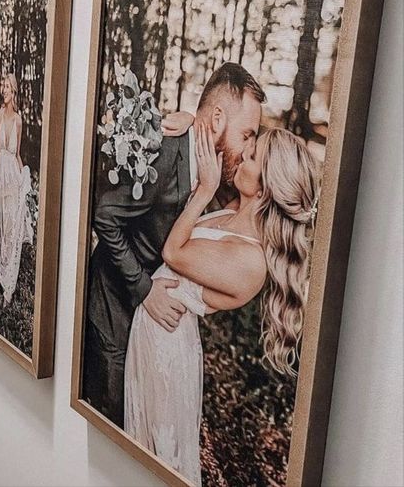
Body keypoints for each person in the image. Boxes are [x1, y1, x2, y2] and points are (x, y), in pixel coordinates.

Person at [124, 124, 319, 485]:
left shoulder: (251, 263)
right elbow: (216, 139)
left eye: (253, 156)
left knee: (155, 456)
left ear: (264, 187)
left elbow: (174, 252)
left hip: (166, 344)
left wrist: (204, 193)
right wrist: (188, 121)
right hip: (152, 324)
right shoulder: (234, 210)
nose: (244, 155)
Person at [82, 63, 265, 428]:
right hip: (114, 308)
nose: (248, 149)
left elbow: (255, 193)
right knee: (106, 424)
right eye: (247, 135)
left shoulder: (217, 172)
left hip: (149, 328)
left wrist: (187, 117)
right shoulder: (166, 150)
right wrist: (143, 289)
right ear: (216, 120)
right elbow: (104, 215)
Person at [0, 73, 33, 305]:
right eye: (3, 86)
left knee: (10, 228)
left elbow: (17, 154)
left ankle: (9, 280)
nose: (4, 90)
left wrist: (23, 181)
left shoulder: (18, 120)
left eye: (8, 87)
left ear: (14, 91)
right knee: (0, 225)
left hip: (12, 177)